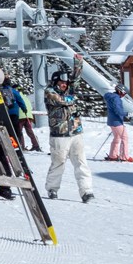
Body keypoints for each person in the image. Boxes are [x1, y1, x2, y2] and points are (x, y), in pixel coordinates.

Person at [45, 69, 94, 202]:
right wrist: (72, 98)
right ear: (55, 81)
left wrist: (78, 64)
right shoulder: (49, 92)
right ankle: (52, 189)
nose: (64, 84)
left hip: (75, 133)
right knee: (58, 163)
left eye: (66, 82)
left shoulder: (69, 91)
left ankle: (86, 191)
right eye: (61, 82)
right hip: (59, 135)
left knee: (81, 162)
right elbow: (61, 101)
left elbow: (76, 79)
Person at [3, 77, 40, 151]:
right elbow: (23, 103)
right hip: (25, 115)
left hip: (12, 114)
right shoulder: (23, 96)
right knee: (28, 131)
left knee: (15, 131)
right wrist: (25, 110)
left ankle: (19, 146)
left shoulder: (2, 91)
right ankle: (35, 145)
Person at [103, 84, 133, 162]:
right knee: (124, 138)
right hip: (117, 121)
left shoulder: (111, 97)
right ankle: (124, 157)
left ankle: (112, 155)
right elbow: (118, 111)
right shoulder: (116, 99)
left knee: (117, 138)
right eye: (123, 93)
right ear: (119, 91)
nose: (124, 95)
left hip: (111, 121)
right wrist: (128, 114)